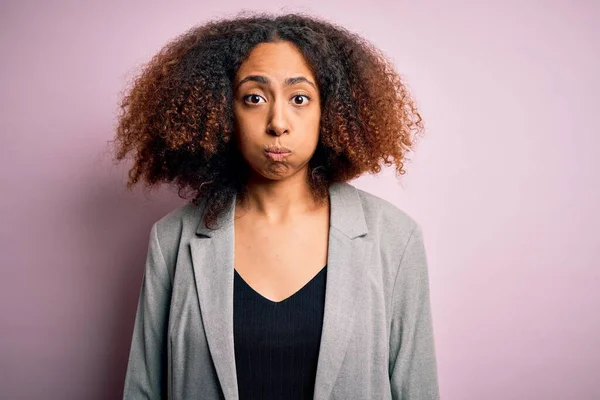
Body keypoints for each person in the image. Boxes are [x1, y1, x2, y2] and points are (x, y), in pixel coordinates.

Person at [113, 11, 439, 400]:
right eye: (254, 98)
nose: (278, 122)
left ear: (331, 111)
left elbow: (416, 390)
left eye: (299, 98)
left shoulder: (394, 238)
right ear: (221, 112)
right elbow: (143, 390)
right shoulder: (173, 239)